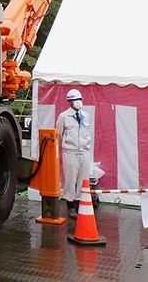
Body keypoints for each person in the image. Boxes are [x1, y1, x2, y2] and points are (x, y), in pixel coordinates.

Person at [56, 88, 92, 219]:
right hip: (70, 152)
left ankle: (79, 203)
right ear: (69, 102)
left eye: (80, 99)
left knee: (83, 179)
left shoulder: (85, 116)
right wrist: (66, 146)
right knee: (71, 179)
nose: (78, 102)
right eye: (75, 100)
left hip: (84, 151)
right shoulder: (64, 116)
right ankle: (70, 205)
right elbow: (58, 134)